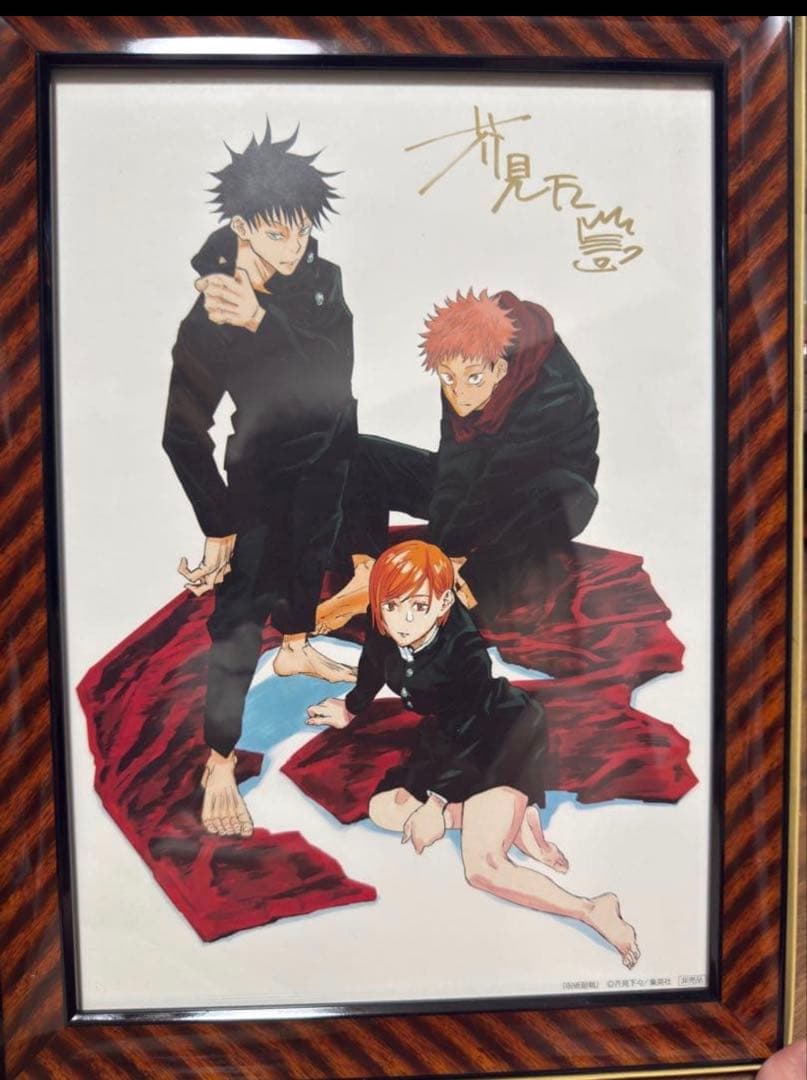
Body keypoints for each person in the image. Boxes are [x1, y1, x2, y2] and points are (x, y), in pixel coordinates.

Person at [307, 539, 640, 968]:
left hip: (497, 735)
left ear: (444, 602)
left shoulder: (464, 650)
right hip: (446, 735)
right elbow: (374, 662)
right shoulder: (385, 626)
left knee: (482, 868)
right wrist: (351, 709)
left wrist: (437, 805)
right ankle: (516, 820)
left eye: (418, 606)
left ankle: (592, 908)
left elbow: (474, 729)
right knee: (384, 809)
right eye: (390, 606)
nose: (403, 619)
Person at [162, 120, 358, 837]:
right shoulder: (207, 317)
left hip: (331, 448)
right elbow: (182, 432)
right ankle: (219, 759)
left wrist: (266, 322)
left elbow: (334, 376)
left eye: (302, 230)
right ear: (242, 228)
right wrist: (219, 525)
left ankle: (299, 645)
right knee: (241, 614)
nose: (295, 246)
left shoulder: (322, 279)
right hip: (262, 469)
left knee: (313, 557)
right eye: (277, 233)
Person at [315, 286, 599, 630]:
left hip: (533, 498)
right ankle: (366, 570)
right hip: (478, 479)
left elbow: (498, 483)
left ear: (501, 369)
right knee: (358, 452)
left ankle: (461, 591)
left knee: (569, 493)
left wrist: (438, 555)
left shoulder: (556, 395)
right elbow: (455, 462)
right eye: (447, 379)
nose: (459, 393)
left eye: (473, 379)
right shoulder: (461, 362)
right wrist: (438, 540)